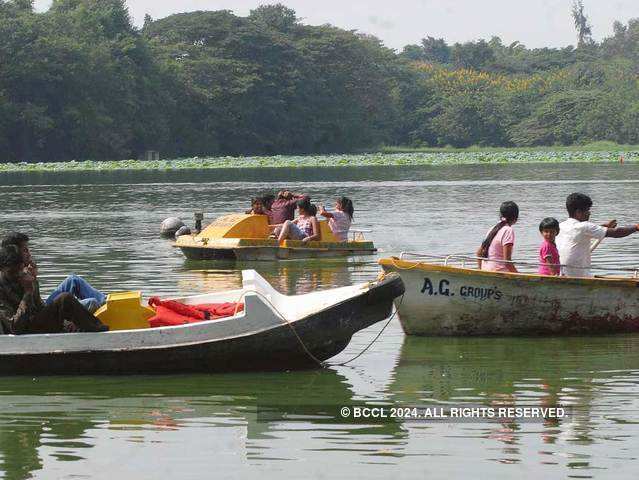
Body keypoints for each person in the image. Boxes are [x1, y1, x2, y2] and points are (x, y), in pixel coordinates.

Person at [0, 245, 108, 334]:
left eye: (20, 269)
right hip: (23, 331)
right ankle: (97, 332)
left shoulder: (22, 277)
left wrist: (33, 282)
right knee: (65, 299)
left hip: (35, 323)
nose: (17, 275)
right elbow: (15, 327)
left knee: (65, 300)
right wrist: (27, 294)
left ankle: (96, 329)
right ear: (2, 269)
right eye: (12, 272)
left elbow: (40, 307)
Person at [1, 232, 107, 313]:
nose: (29, 254)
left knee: (73, 280)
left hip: (42, 308)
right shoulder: (13, 275)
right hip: (39, 316)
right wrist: (32, 281)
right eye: (25, 250)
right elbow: (30, 309)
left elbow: (38, 302)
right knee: (91, 302)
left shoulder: (25, 271)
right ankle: (109, 310)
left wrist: (34, 278)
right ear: (14, 252)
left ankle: (108, 303)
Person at [556, 193, 639, 277]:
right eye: (587, 210)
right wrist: (636, 227)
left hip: (560, 274)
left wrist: (604, 227)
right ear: (578, 212)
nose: (589, 213)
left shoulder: (560, 226)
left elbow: (583, 230)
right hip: (579, 276)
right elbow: (617, 232)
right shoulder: (585, 226)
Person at [476, 201, 519, 273]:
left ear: (500, 215)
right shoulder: (508, 230)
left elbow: (478, 253)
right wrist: (518, 276)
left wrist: (481, 270)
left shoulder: (492, 228)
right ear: (515, 218)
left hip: (485, 271)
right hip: (499, 272)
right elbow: (507, 261)